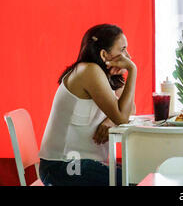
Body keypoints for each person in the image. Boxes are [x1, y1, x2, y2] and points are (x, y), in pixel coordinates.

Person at [38, 24, 137, 185]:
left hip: (80, 163)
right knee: (132, 181)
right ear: (104, 54)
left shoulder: (102, 73)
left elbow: (129, 109)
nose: (128, 56)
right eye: (123, 50)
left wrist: (111, 119)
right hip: (63, 166)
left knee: (136, 176)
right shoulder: (89, 71)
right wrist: (132, 70)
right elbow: (123, 118)